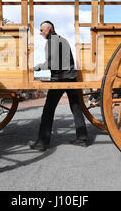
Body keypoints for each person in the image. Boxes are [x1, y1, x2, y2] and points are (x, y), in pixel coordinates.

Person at [29, 20, 89, 151]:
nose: (40, 33)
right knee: (76, 108)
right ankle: (82, 138)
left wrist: (36, 67)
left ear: (49, 29)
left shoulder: (52, 41)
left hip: (61, 79)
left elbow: (52, 63)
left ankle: (42, 142)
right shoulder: (63, 39)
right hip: (72, 78)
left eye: (41, 30)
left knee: (48, 110)